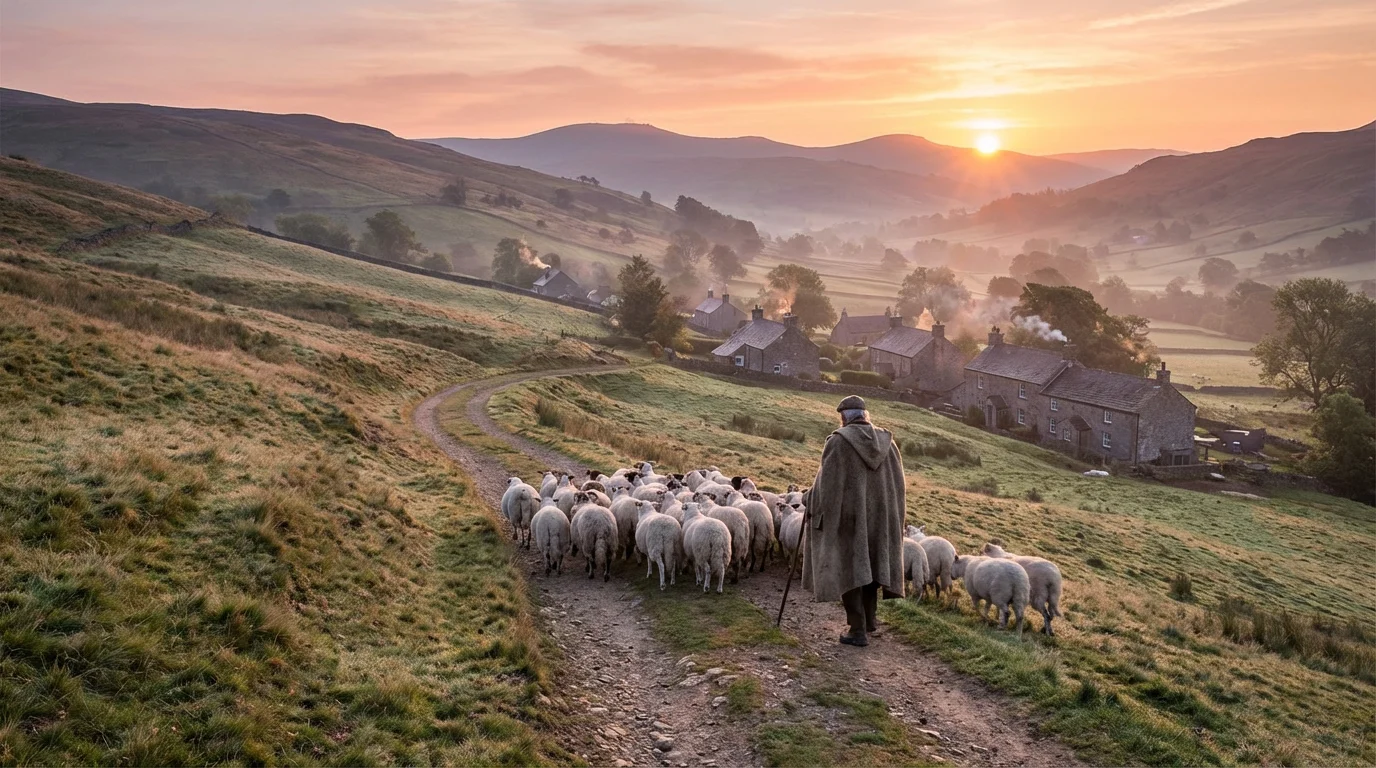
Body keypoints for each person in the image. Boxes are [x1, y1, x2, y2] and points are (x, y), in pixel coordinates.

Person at [802, 395, 906, 647]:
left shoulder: (839, 442)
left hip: (849, 521)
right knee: (870, 569)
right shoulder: (889, 444)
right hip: (881, 520)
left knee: (849, 570)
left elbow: (826, 487)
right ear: (865, 415)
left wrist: (808, 498)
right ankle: (869, 621)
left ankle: (857, 629)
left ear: (843, 417)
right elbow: (899, 485)